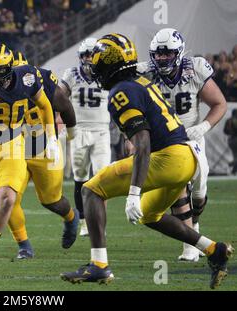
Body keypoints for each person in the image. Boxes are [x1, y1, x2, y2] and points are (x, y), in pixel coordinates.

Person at [60, 33, 233, 289]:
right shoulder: (139, 81)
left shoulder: (122, 91)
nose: (95, 72)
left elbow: (142, 143)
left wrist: (133, 193)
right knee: (151, 215)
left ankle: (99, 266)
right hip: (186, 158)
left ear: (109, 65)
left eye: (98, 66)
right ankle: (213, 250)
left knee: (91, 190)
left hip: (167, 158)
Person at [139, 28, 227, 261]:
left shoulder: (195, 68)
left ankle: (194, 226)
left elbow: (219, 103)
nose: (161, 58)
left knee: (198, 194)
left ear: (178, 52)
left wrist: (203, 127)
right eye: (157, 54)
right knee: (177, 186)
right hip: (165, 140)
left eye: (167, 53)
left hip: (192, 138)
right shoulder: (144, 73)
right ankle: (190, 246)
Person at [0, 42, 59, 267]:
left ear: (9, 66)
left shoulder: (27, 76)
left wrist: (51, 138)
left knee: (8, 198)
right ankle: (25, 243)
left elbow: (44, 105)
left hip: (12, 144)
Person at [60, 37, 111, 237]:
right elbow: (60, 96)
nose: (89, 59)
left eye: (92, 54)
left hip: (101, 131)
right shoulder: (71, 74)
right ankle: (83, 222)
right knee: (80, 178)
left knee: (102, 178)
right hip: (79, 130)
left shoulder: (107, 74)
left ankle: (99, 223)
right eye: (86, 55)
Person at [223, 109, 237, 174]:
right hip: (235, 139)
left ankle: (233, 169)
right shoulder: (235, 121)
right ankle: (231, 167)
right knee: (235, 157)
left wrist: (230, 133)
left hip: (230, 140)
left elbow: (225, 131)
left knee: (235, 156)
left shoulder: (228, 120)